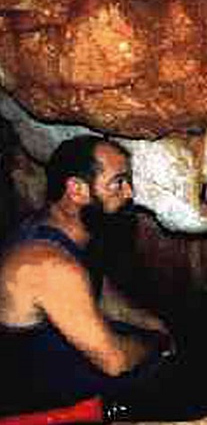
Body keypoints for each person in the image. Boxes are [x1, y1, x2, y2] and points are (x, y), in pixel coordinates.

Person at [0, 135, 175, 414]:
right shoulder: (49, 265)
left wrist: (153, 324)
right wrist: (157, 344)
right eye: (118, 182)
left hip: (61, 370)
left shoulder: (67, 231)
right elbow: (115, 362)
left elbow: (100, 290)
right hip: (40, 410)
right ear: (77, 190)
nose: (129, 193)